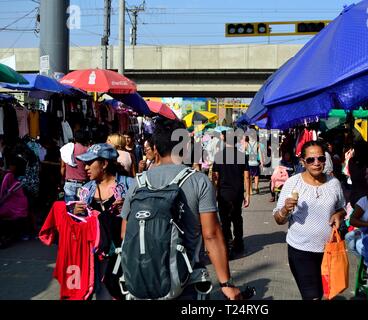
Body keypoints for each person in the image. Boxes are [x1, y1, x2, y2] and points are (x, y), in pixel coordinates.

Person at [120, 118, 242, 300]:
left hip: (143, 280)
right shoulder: (198, 181)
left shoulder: (138, 183)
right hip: (187, 282)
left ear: (155, 149)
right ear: (185, 148)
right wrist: (226, 284)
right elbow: (211, 235)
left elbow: (125, 234)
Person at [273, 141, 346, 300]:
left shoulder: (334, 183)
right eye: (311, 160)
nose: (317, 163)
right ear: (303, 162)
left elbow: (342, 208)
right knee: (312, 296)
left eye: (320, 158)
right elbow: (278, 219)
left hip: (328, 250)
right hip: (301, 251)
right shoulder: (293, 183)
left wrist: (338, 215)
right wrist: (285, 209)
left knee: (326, 294)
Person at [73, 143, 134, 300]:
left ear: (105, 163)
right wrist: (76, 213)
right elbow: (78, 225)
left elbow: (144, 215)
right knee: (102, 293)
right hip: (96, 255)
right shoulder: (85, 190)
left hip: (124, 253)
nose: (85, 167)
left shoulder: (129, 185)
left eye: (89, 163)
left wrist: (129, 207)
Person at [212, 130, 251, 257]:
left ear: (224, 140)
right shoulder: (242, 155)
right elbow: (246, 176)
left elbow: (215, 178)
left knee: (224, 221)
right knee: (237, 218)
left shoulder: (218, 156)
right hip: (237, 193)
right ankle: (239, 243)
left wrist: (214, 193)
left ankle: (227, 246)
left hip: (223, 194)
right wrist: (248, 195)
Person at [60, 130, 89, 202]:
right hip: (83, 184)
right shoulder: (87, 151)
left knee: (70, 210)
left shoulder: (67, 150)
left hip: (69, 183)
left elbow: (63, 167)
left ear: (74, 139)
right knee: (82, 209)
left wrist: (62, 180)